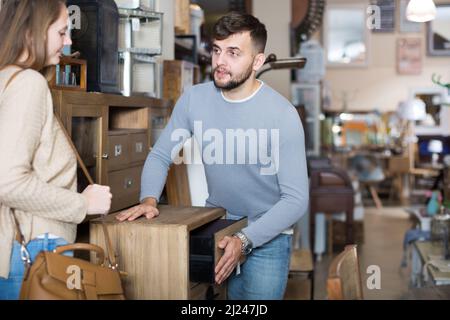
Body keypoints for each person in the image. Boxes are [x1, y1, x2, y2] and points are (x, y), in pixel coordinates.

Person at [117, 12, 309, 300]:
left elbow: (295, 200)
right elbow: (160, 155)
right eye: (217, 51)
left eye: (233, 53)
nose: (220, 62)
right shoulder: (194, 99)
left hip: (267, 235)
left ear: (258, 61)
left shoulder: (283, 114)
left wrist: (246, 240)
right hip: (216, 227)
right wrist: (148, 199)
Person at [0, 0, 112, 300]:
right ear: (31, 32)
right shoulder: (28, 84)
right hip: (34, 252)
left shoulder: (5, 80)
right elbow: (7, 181)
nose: (69, 41)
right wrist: (82, 205)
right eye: (62, 31)